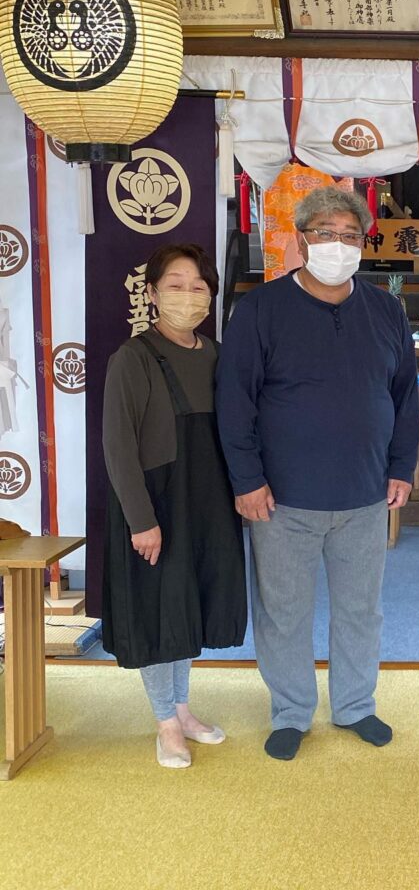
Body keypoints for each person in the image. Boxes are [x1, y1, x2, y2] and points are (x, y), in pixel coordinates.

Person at [217, 186, 419, 761]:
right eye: (326, 234)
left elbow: (405, 396)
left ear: (364, 242)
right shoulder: (260, 309)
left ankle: (355, 705)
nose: (338, 244)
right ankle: (290, 711)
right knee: (284, 612)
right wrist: (246, 480)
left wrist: (402, 465)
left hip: (365, 495)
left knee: (362, 608)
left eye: (349, 235)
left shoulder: (385, 310)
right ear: (302, 241)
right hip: (281, 500)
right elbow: (236, 402)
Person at [102, 244, 247, 769]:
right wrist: (142, 521)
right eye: (176, 284)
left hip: (206, 499)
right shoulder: (132, 359)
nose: (188, 295)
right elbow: (118, 448)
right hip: (155, 501)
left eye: (198, 286)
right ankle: (165, 723)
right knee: (157, 611)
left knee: (188, 605)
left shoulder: (213, 352)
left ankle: (184, 709)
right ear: (152, 293)